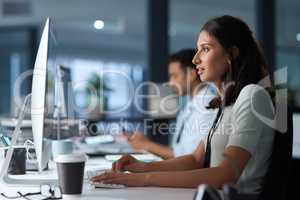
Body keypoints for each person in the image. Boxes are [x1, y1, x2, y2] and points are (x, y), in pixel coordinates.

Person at [92, 15, 275, 195]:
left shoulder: (252, 95)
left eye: (205, 49)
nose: (196, 59)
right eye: (197, 50)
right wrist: (140, 167)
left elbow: (226, 175)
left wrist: (145, 178)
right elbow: (196, 159)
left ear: (232, 54)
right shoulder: (224, 103)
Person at [126, 49, 216, 159]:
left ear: (191, 75)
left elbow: (188, 156)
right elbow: (178, 149)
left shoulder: (207, 105)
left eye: (174, 76)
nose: (171, 83)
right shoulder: (190, 103)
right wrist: (145, 143)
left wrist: (146, 145)